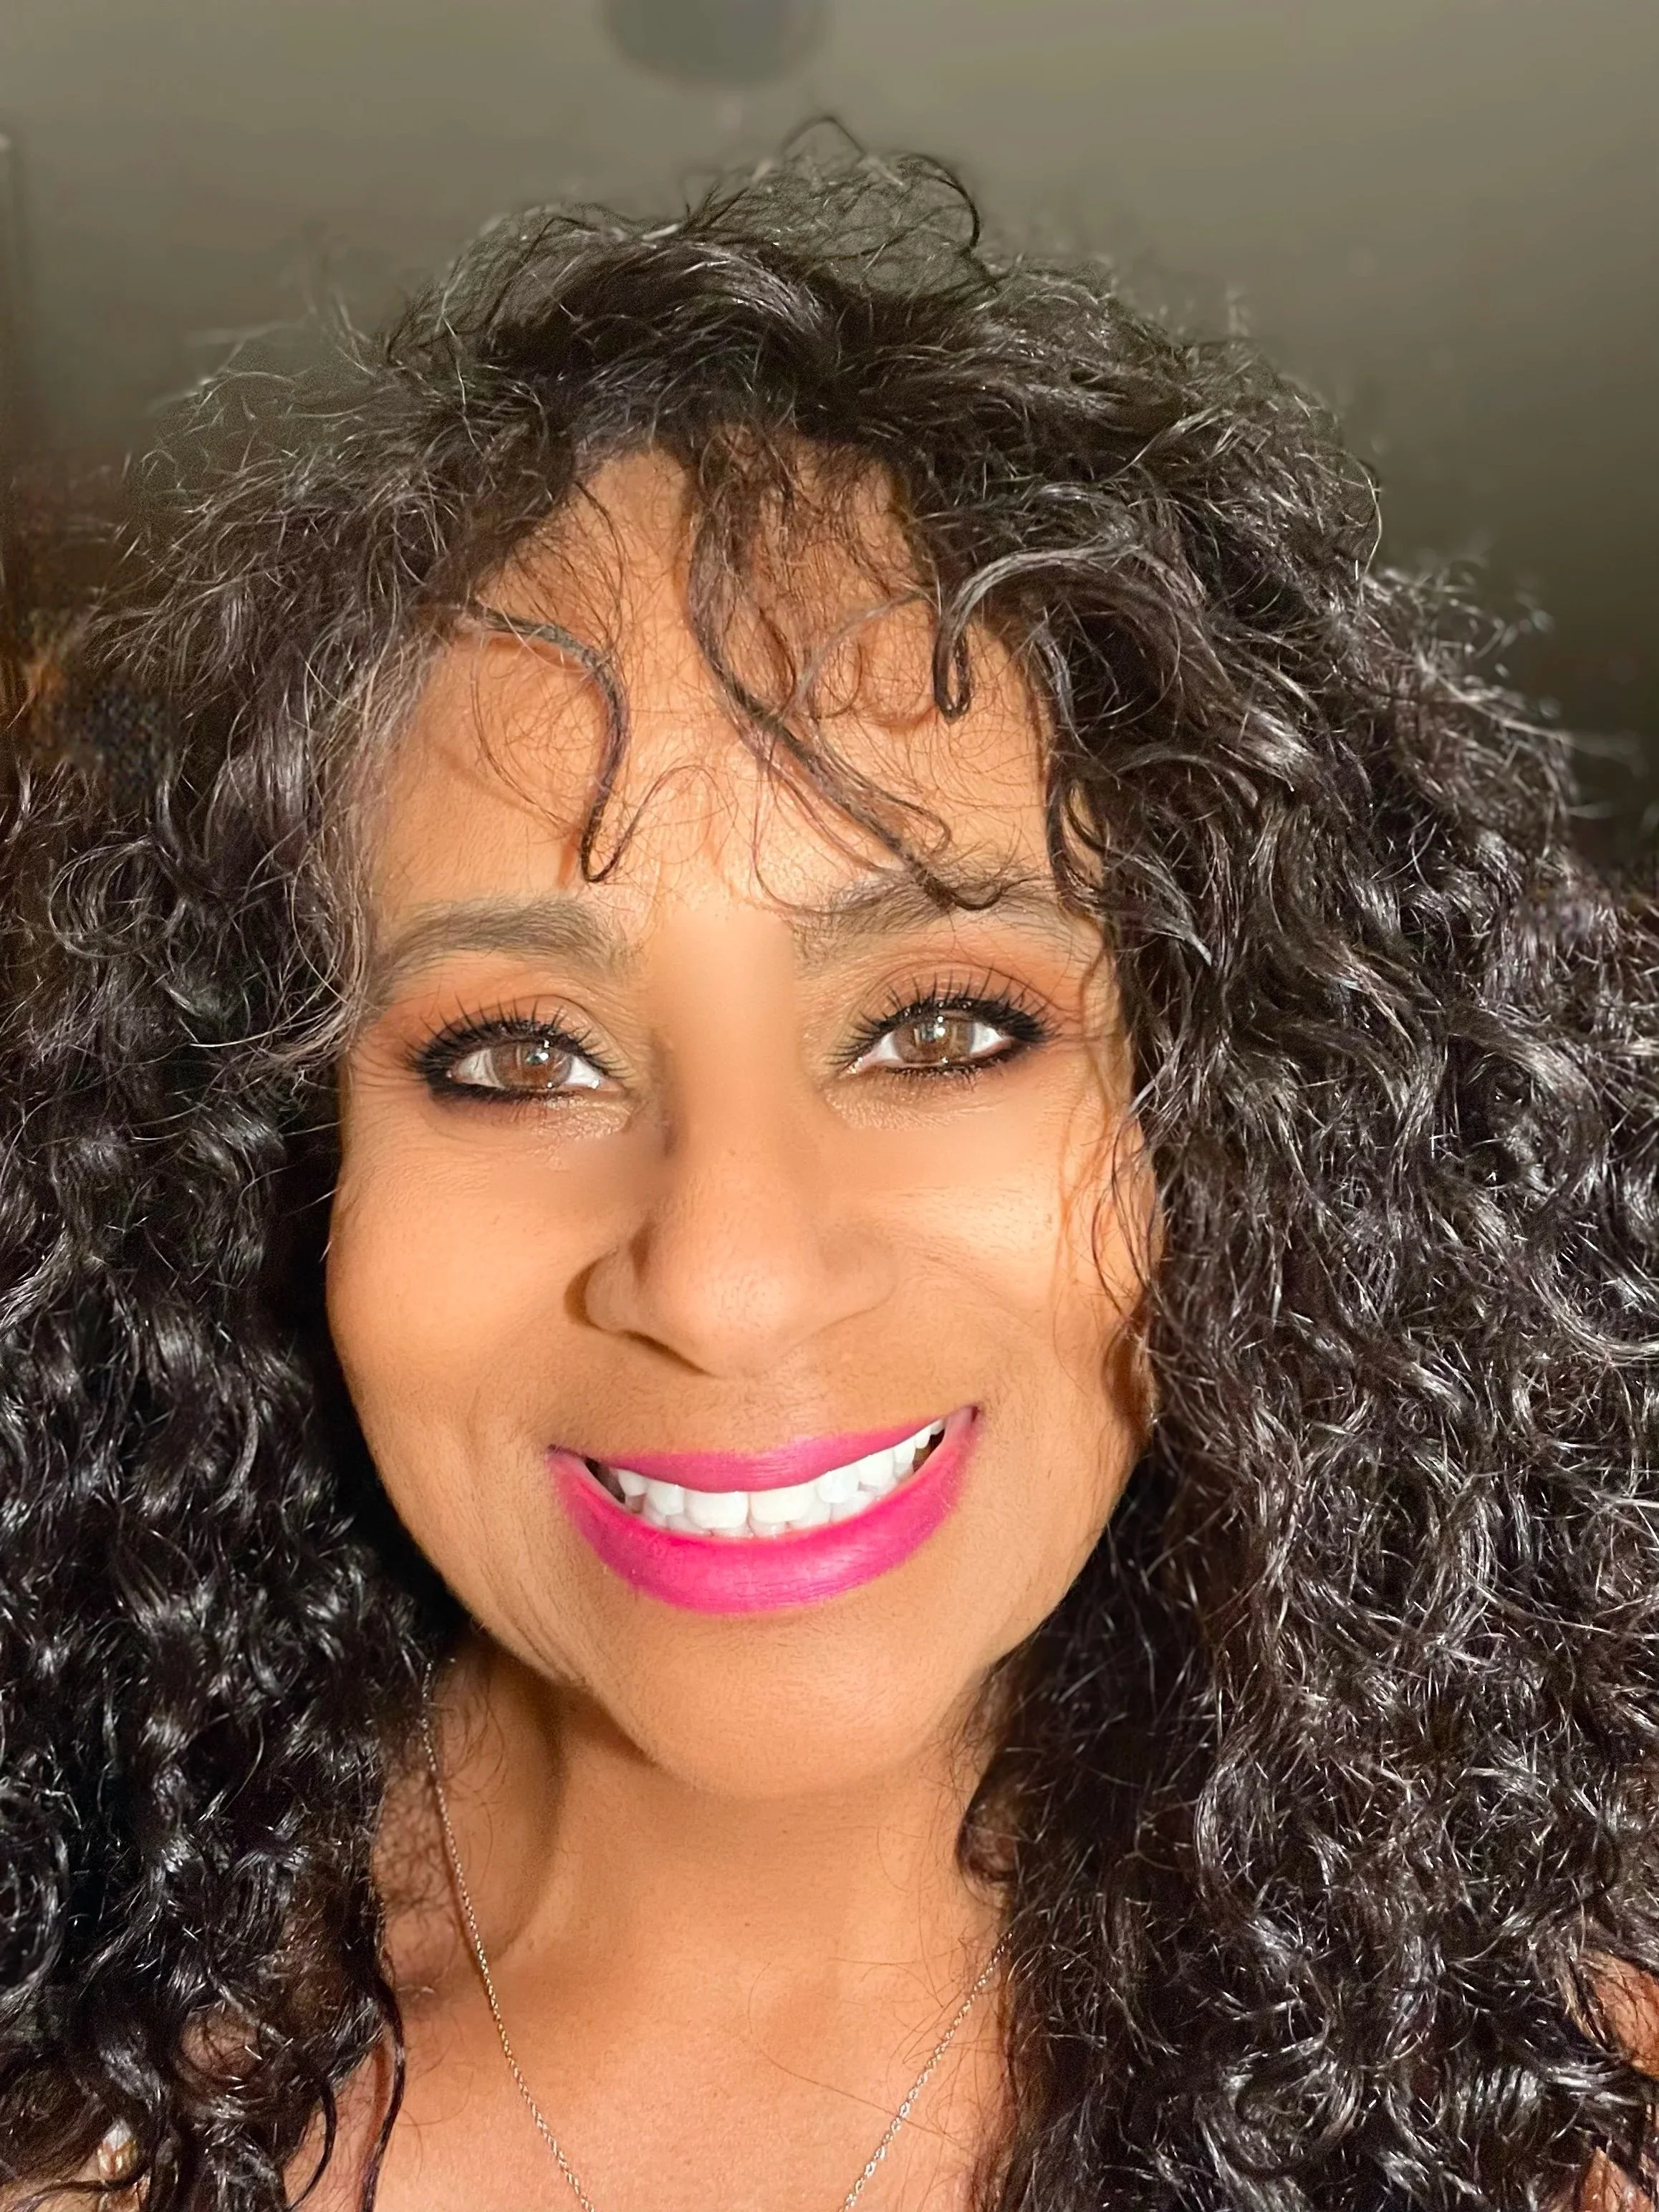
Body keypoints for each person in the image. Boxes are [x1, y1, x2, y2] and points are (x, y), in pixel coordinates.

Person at [1, 141, 1655, 2212]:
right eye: (514, 1057)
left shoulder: (1564, 2115)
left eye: (944, 1026)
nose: (726, 1277)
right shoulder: (75, 2121)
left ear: (1240, 1116)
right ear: (275, 1171)